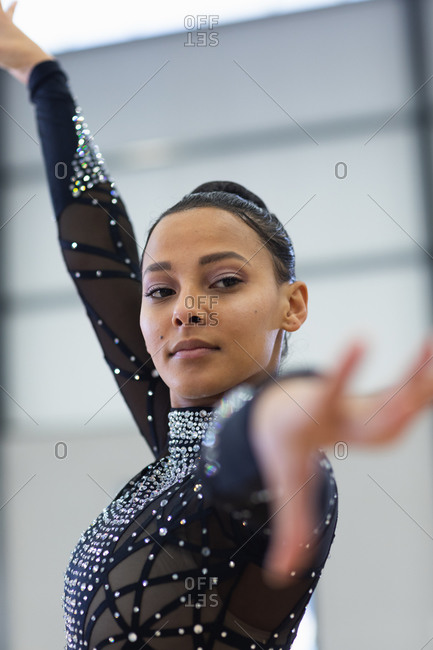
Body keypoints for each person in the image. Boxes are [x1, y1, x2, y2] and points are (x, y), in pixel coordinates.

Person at [1, 3, 433, 649]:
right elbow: (91, 243)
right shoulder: (172, 453)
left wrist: (296, 410)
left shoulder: (254, 475)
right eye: (160, 290)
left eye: (224, 281)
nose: (185, 309)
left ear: (291, 305)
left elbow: (261, 429)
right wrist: (39, 72)